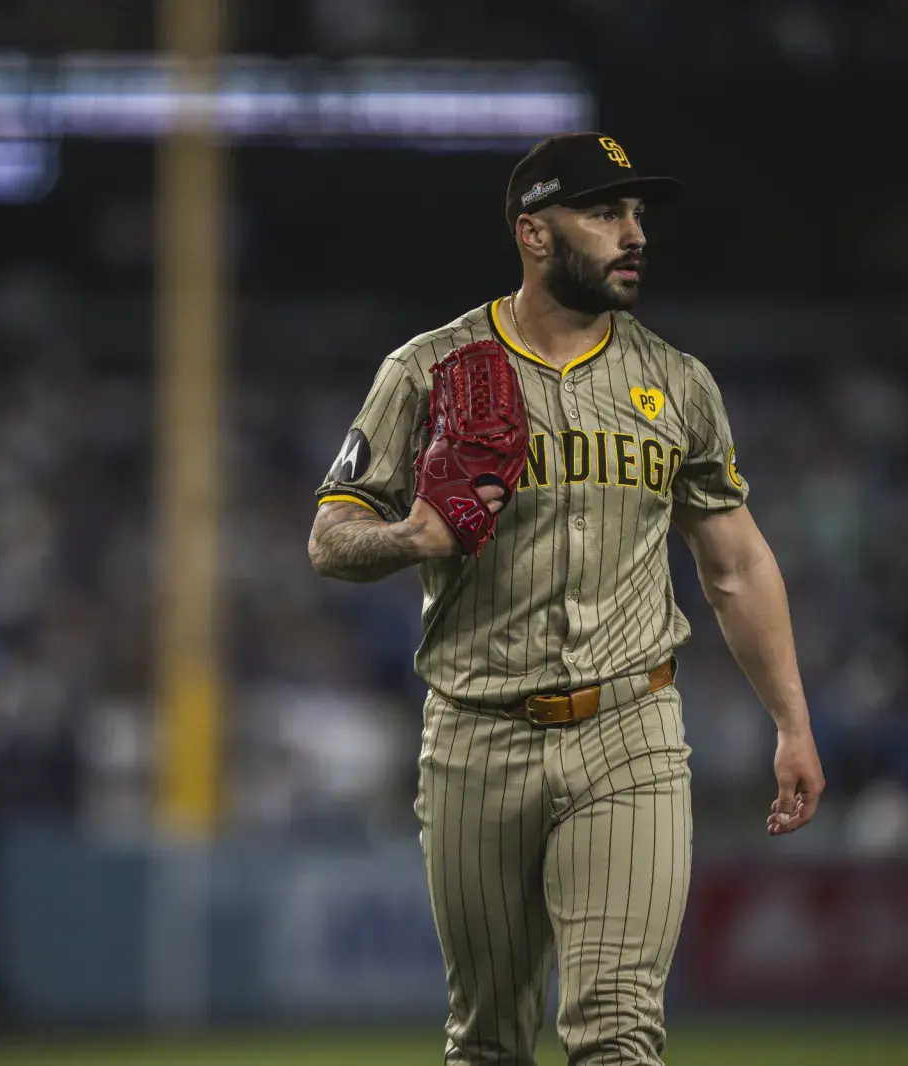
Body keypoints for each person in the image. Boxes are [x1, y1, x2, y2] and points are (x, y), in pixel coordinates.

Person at [308, 132, 825, 1065]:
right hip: (474, 735)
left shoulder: (677, 382)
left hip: (630, 728)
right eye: (605, 213)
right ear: (534, 233)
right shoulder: (428, 369)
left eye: (636, 216)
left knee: (619, 1035)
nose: (633, 235)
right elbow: (328, 537)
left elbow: (736, 564)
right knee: (490, 1041)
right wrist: (409, 538)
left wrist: (792, 720)